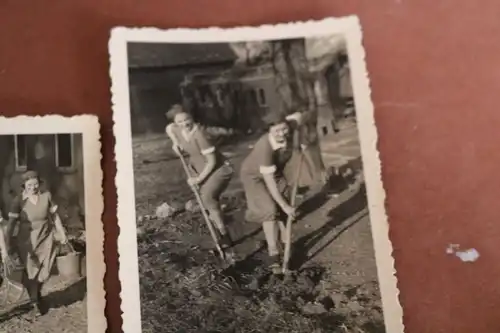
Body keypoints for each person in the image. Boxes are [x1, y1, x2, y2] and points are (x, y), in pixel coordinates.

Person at [240, 111, 316, 273]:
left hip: (275, 173)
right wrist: (284, 205)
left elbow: (299, 118)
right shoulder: (264, 147)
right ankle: (273, 254)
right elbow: (269, 181)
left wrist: (302, 140)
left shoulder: (291, 125)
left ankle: (287, 247)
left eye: (284, 129)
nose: (282, 134)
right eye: (277, 131)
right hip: (254, 177)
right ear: (269, 131)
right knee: (270, 210)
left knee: (284, 212)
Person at [165, 105, 236, 257]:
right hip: (197, 166)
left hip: (218, 169)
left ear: (192, 118)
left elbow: (211, 161)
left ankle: (224, 236)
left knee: (208, 197)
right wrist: (174, 143)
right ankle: (221, 234)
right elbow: (169, 128)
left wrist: (198, 179)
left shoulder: (200, 135)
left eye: (187, 119)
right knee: (208, 203)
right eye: (180, 121)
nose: (184, 123)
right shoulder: (176, 128)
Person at [5, 170, 69, 315]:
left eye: (35, 184)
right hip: (27, 241)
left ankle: (36, 293)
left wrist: (62, 232)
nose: (33, 188)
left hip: (45, 237)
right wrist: (8, 243)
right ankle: (35, 301)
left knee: (44, 271)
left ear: (39, 184)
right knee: (31, 272)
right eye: (29, 185)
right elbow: (11, 225)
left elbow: (55, 217)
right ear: (24, 185)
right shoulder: (18, 201)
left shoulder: (46, 196)